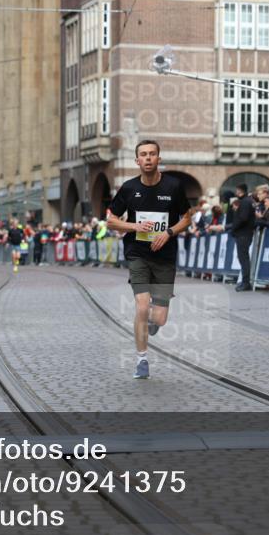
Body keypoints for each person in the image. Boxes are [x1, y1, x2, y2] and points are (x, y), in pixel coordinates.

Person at [106, 140, 193, 379]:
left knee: (159, 319)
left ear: (158, 159)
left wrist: (169, 232)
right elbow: (111, 221)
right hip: (138, 254)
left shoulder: (173, 186)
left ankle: (152, 322)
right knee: (142, 306)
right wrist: (134, 226)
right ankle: (141, 359)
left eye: (152, 154)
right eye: (143, 154)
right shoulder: (129, 188)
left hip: (165, 257)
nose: (148, 158)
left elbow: (187, 218)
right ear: (137, 161)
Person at [228, 183, 256, 291]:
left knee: (243, 258)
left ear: (240, 191)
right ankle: (245, 281)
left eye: (237, 190)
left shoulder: (245, 202)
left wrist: (234, 228)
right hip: (245, 233)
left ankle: (246, 282)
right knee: (243, 258)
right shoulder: (248, 201)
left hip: (243, 234)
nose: (236, 192)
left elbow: (243, 218)